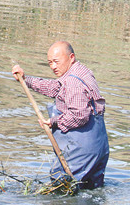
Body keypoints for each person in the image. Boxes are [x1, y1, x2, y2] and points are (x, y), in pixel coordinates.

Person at [12, 41, 109, 189]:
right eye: (50, 62)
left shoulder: (72, 82)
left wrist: (54, 122)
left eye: (56, 62)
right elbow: (55, 88)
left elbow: (80, 115)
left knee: (62, 186)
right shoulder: (81, 71)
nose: (53, 67)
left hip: (82, 148)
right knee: (91, 190)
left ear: (71, 57)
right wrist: (26, 80)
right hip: (99, 146)